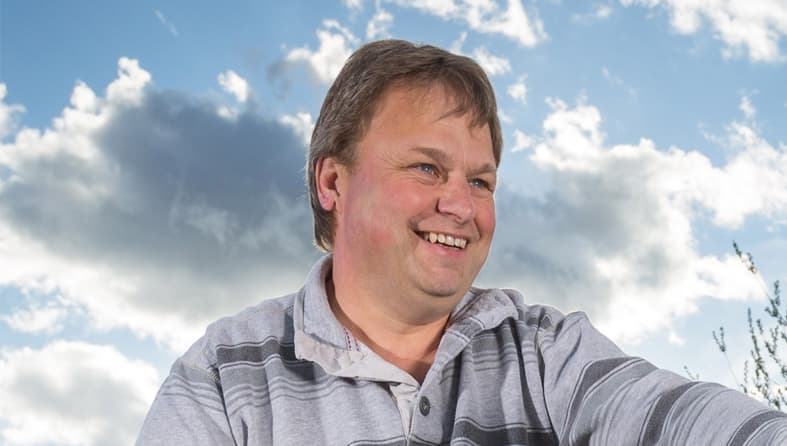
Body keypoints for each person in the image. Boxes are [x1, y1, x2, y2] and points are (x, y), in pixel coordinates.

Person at [136, 40, 787, 445]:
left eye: (480, 180)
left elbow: (673, 417)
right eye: (426, 168)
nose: (461, 204)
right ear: (332, 180)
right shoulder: (222, 376)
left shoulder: (543, 351)